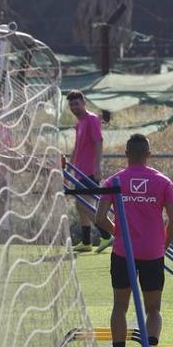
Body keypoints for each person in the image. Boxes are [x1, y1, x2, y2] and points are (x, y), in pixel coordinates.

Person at [94, 134, 173, 347]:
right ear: (149, 154)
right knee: (154, 309)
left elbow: (99, 217)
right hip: (153, 253)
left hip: (123, 252)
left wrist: (118, 233)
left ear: (126, 154)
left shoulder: (114, 180)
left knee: (120, 306)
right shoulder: (163, 182)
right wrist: (163, 245)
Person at [67, 90, 111, 253]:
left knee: (84, 204)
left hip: (90, 170)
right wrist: (69, 168)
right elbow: (77, 147)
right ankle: (86, 241)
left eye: (77, 103)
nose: (74, 107)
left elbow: (99, 141)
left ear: (83, 103)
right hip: (79, 171)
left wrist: (97, 165)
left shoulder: (92, 119)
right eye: (71, 104)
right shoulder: (79, 123)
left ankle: (107, 235)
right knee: (80, 206)